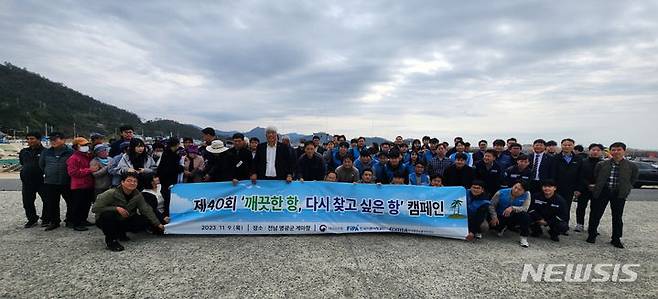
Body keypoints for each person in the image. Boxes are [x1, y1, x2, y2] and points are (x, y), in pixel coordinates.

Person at [93, 172, 164, 252]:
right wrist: (116, 208)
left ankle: (120, 232)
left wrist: (158, 224)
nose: (132, 183)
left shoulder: (137, 195)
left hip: (124, 218)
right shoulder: (111, 193)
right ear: (122, 182)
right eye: (129, 180)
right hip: (105, 219)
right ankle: (111, 241)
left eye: (135, 181)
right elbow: (95, 208)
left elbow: (146, 209)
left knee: (143, 220)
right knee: (108, 215)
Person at [586, 142, 639, 249]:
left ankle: (616, 238)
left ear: (624, 151)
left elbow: (633, 179)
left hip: (618, 193)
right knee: (595, 214)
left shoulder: (631, 166)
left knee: (617, 217)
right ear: (610, 151)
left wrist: (626, 189)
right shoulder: (602, 164)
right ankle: (592, 234)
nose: (616, 152)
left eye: (619, 150)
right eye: (613, 150)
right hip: (602, 191)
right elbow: (597, 176)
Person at [39, 132, 73, 231]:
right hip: (50, 182)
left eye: (55, 139)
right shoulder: (46, 152)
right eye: (51, 140)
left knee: (71, 202)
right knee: (52, 203)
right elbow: (41, 165)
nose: (52, 141)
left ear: (63, 140)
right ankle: (54, 222)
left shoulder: (70, 152)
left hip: (67, 181)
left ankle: (70, 220)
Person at [66, 137, 98, 231]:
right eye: (83, 145)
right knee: (77, 205)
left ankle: (83, 220)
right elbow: (73, 172)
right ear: (76, 146)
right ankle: (76, 223)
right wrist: (89, 170)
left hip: (89, 184)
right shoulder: (73, 158)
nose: (86, 147)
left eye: (86, 145)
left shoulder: (87, 156)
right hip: (78, 186)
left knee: (86, 204)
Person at [488, 181, 532, 247]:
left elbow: (525, 208)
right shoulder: (501, 192)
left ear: (524, 191)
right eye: (515, 187)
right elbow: (491, 205)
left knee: (525, 216)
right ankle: (503, 227)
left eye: (520, 190)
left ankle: (523, 237)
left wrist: (512, 208)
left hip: (514, 216)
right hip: (500, 215)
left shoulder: (527, 194)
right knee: (494, 228)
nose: (516, 190)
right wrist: (494, 216)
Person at [552, 138, 582, 227]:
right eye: (565, 145)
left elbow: (580, 175)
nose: (567, 147)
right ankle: (553, 225)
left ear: (573, 146)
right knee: (554, 205)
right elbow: (552, 173)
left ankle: (564, 225)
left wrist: (578, 189)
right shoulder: (555, 158)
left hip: (570, 187)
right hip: (556, 187)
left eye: (569, 145)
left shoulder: (578, 159)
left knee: (566, 206)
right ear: (561, 146)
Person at [19, 131, 46, 228]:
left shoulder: (45, 152)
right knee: (27, 202)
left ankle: (46, 218)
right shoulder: (24, 151)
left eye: (32, 139)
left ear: (39, 139)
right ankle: (32, 219)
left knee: (47, 200)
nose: (29, 141)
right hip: (27, 182)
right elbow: (23, 163)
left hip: (42, 181)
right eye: (28, 139)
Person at [575, 143, 604, 232]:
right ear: (589, 150)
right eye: (593, 150)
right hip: (583, 188)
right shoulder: (583, 162)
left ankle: (593, 227)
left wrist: (596, 185)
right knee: (581, 207)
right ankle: (580, 224)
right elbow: (579, 176)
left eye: (598, 150)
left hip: (598, 189)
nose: (595, 152)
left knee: (595, 209)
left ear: (601, 152)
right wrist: (585, 186)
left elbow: (604, 177)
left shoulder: (604, 163)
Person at [157, 137, 184, 217]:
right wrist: (182, 168)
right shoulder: (171, 154)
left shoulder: (167, 153)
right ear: (176, 144)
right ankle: (167, 216)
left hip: (165, 180)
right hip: (168, 181)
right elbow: (173, 168)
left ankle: (167, 215)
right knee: (168, 200)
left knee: (167, 199)